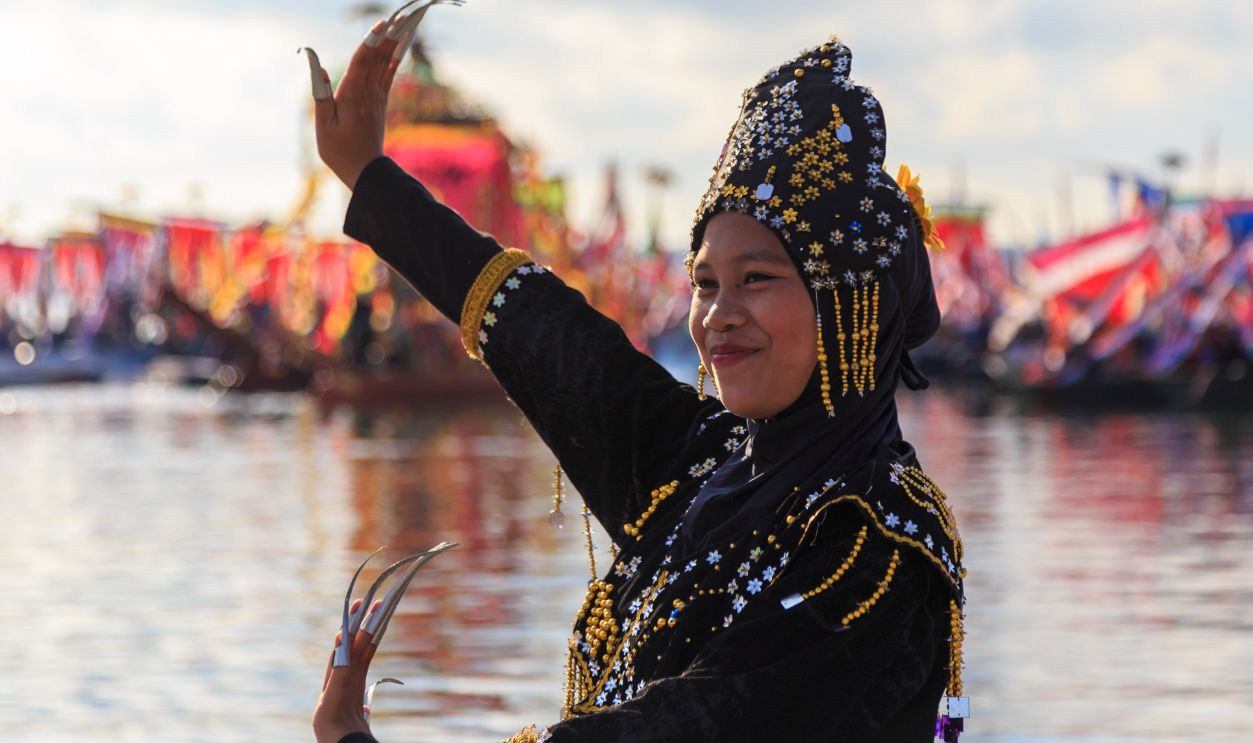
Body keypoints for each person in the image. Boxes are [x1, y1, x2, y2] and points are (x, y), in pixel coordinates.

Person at [306, 13, 968, 743]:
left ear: (849, 301)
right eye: (705, 283)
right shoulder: (706, 467)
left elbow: (692, 727)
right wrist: (369, 178)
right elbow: (552, 340)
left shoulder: (877, 545)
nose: (718, 315)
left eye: (756, 278)